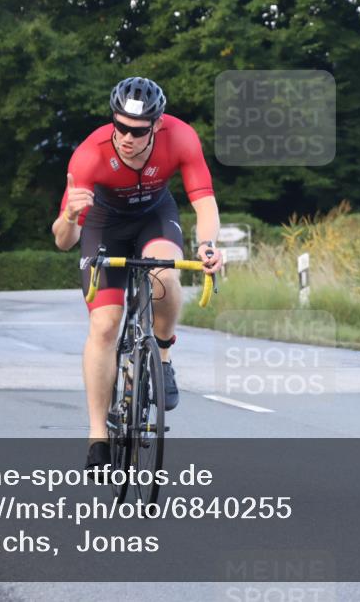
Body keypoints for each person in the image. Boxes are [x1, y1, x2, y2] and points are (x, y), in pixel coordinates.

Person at [51, 77, 223, 471]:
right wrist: (69, 216)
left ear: (157, 125)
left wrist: (209, 246)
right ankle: (97, 436)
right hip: (103, 224)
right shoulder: (89, 155)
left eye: (138, 130)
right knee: (106, 325)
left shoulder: (180, 138)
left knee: (166, 277)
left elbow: (205, 201)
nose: (127, 138)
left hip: (154, 217)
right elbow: (63, 240)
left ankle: (162, 358)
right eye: (120, 127)